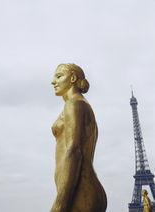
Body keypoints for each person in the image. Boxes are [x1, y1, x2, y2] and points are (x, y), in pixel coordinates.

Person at [50, 63, 107, 212]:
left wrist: (61, 202)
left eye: (59, 76)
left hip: (77, 193)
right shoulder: (81, 104)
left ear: (73, 78)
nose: (53, 81)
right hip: (80, 189)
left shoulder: (74, 104)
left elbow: (74, 151)